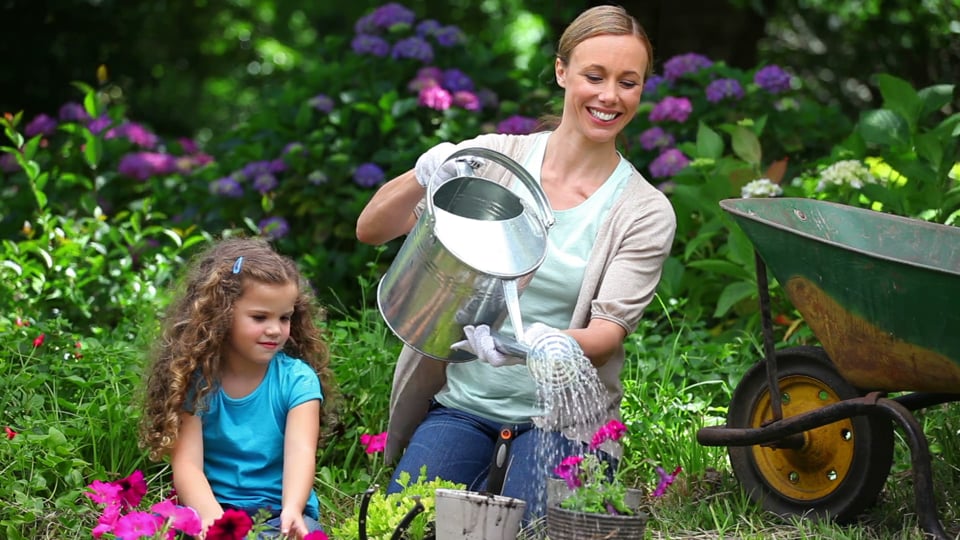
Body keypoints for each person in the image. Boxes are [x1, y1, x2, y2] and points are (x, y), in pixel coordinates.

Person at [355, 4, 676, 520]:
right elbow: (371, 230)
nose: (609, 96)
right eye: (594, 76)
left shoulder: (643, 210)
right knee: (408, 523)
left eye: (628, 82)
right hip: (463, 407)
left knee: (534, 531)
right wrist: (424, 171)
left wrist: (531, 344)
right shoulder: (493, 160)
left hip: (562, 422)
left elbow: (607, 335)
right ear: (562, 71)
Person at [138, 236, 337, 539]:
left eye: (284, 317)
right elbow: (188, 464)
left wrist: (293, 509)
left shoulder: (298, 380)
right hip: (212, 509)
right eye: (259, 317)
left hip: (277, 514)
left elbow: (301, 452)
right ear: (221, 315)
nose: (275, 329)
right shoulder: (195, 379)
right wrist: (215, 524)